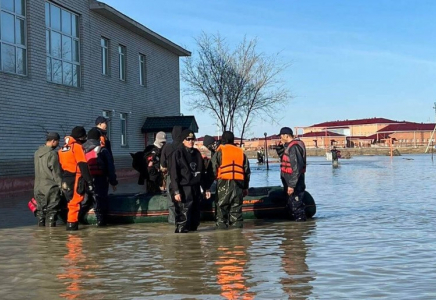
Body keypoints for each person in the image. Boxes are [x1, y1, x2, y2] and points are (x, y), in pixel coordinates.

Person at [169, 129, 211, 233]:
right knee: (184, 218)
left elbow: (202, 172)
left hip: (195, 188)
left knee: (195, 218)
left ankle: (194, 245)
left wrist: (206, 188)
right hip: (183, 188)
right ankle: (181, 242)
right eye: (188, 139)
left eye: (193, 139)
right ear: (183, 140)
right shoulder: (177, 153)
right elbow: (174, 174)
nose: (191, 141)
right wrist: (176, 191)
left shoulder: (196, 153)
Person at [211, 131, 250, 229]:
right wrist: (245, 187)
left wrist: (210, 184)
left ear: (223, 139)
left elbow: (213, 169)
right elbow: (247, 171)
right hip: (238, 185)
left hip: (223, 184)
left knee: (221, 213)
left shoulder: (219, 152)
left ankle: (222, 240)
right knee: (236, 213)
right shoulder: (241, 152)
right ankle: (237, 239)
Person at [58, 126, 94, 231]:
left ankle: (70, 226)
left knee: (69, 202)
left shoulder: (62, 149)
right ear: (80, 137)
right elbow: (83, 165)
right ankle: (72, 229)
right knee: (75, 203)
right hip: (76, 178)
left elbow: (59, 166)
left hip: (65, 178)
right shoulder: (77, 147)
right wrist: (90, 181)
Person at [82, 128, 118, 226]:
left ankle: (77, 221)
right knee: (100, 202)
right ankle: (101, 223)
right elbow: (110, 167)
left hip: (84, 180)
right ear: (98, 138)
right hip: (100, 179)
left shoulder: (81, 149)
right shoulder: (102, 150)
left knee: (85, 202)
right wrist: (113, 182)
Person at [33, 132, 63, 227]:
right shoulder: (52, 154)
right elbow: (56, 173)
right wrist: (61, 186)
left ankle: (41, 236)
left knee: (41, 214)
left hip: (37, 188)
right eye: (57, 142)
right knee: (52, 213)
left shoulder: (37, 153)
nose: (58, 144)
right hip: (50, 188)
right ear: (53, 141)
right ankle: (51, 237)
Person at [278, 127, 307, 222]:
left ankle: (300, 231)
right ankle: (292, 233)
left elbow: (296, 168)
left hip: (295, 182)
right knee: (291, 206)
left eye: (281, 136)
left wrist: (291, 185)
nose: (280, 138)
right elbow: (284, 157)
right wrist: (280, 147)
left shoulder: (294, 147)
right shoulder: (289, 146)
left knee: (296, 206)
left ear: (286, 136)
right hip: (289, 180)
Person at [160, 126, 183, 224]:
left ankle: (173, 222)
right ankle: (184, 221)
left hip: (171, 176)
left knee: (171, 201)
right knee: (184, 200)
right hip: (184, 176)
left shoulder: (167, 147)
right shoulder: (184, 147)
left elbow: (162, 165)